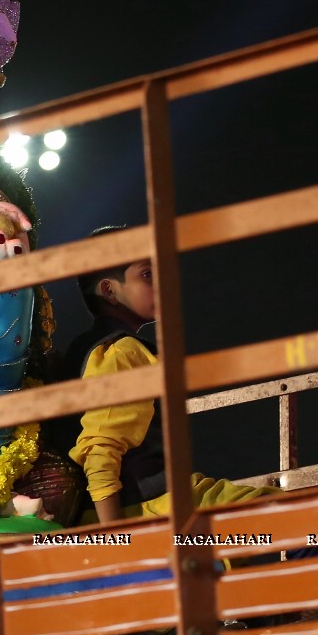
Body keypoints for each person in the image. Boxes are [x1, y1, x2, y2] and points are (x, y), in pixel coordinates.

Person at [69, 223, 267, 522]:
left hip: (155, 506)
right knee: (310, 522)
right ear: (109, 290)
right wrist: (115, 544)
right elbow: (100, 451)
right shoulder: (121, 352)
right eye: (148, 274)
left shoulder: (82, 351)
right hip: (157, 512)